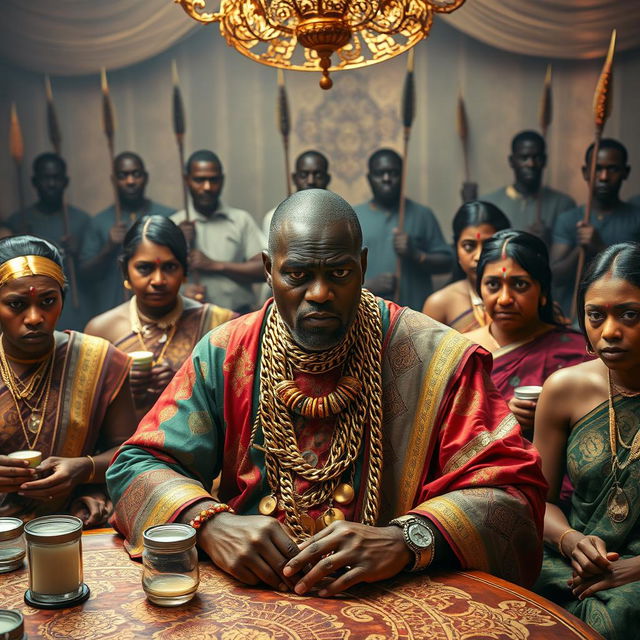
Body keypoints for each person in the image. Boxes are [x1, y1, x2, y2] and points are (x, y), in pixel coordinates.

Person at [107, 189, 546, 595]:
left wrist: (406, 539)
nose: (319, 293)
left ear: (364, 264)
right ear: (267, 269)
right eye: (297, 274)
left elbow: (512, 496)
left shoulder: (436, 359)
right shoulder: (226, 353)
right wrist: (208, 523)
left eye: (339, 273)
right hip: (251, 591)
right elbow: (136, 463)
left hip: (391, 594)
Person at [533, 242, 640, 639]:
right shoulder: (566, 389)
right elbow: (538, 501)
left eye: (629, 314)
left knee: (614, 618)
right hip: (578, 560)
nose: (610, 331)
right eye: (596, 316)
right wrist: (572, 541)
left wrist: (635, 568)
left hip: (633, 573)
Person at [0, 236, 135, 527]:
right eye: (16, 304)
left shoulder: (101, 360)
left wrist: (84, 468)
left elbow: (130, 452)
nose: (35, 317)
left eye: (48, 301)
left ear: (63, 296)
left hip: (77, 523)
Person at [85, 216, 235, 420]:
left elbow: (237, 402)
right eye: (145, 268)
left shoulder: (218, 324)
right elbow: (89, 416)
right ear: (125, 271)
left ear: (185, 271)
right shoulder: (101, 331)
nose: (158, 280)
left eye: (169, 267)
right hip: (127, 449)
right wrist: (122, 391)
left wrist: (184, 385)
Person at [466, 230, 589, 439]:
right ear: (480, 291)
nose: (504, 299)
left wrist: (550, 414)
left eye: (520, 284)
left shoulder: (576, 352)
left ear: (543, 293)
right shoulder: (461, 350)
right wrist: (503, 418)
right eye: (493, 285)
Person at [354, 149, 452, 310]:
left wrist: (417, 255)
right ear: (369, 178)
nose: (387, 179)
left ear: (403, 177)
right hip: (365, 317)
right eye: (380, 173)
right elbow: (338, 269)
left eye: (393, 173)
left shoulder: (422, 214)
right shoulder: (353, 216)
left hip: (416, 315)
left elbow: (447, 264)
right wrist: (367, 287)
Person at [551, 139, 640, 316]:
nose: (604, 177)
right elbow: (556, 276)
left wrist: (600, 247)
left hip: (627, 316)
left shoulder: (636, 218)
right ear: (585, 172)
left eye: (612, 169)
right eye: (597, 169)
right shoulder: (569, 219)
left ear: (625, 172)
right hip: (575, 317)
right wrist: (580, 248)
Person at [79, 152, 175, 317]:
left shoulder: (167, 217)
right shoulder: (98, 222)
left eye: (136, 174)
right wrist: (108, 248)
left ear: (145, 177)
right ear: (113, 180)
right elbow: (84, 276)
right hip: (113, 312)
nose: (130, 181)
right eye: (123, 176)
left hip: (160, 311)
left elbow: (179, 266)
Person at [171, 150, 265, 313]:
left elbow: (265, 270)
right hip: (190, 319)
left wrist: (214, 265)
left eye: (213, 180)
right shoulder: (173, 225)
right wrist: (180, 295)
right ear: (187, 181)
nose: (207, 187)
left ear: (222, 180)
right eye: (199, 180)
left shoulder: (240, 220)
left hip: (239, 318)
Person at [7, 153, 92, 331]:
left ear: (66, 181)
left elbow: (94, 276)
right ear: (35, 182)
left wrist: (76, 252)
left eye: (56, 178)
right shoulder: (18, 223)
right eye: (46, 178)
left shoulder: (81, 221)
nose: (51, 184)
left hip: (76, 307)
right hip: (32, 309)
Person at [422, 201, 510, 332]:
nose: (478, 256)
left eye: (488, 246)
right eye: (469, 246)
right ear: (456, 248)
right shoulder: (439, 304)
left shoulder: (519, 299)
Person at [481, 131, 575, 245]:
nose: (531, 164)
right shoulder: (489, 203)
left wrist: (549, 241)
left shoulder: (563, 204)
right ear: (511, 161)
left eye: (536, 157)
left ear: (545, 160)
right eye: (524, 158)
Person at [262, 150, 331, 237]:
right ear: (294, 178)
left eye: (318, 175)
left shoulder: (342, 216)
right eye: (303, 175)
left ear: (327, 179)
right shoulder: (274, 217)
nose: (311, 181)